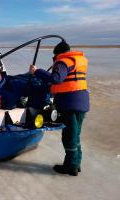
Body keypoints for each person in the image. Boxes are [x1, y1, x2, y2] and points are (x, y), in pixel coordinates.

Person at [29, 41, 89, 176]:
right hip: (81, 103)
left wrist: (36, 71)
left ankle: (71, 166)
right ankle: (76, 164)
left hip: (70, 104)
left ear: (58, 54)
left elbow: (56, 79)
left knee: (69, 137)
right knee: (75, 135)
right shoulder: (77, 61)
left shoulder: (63, 62)